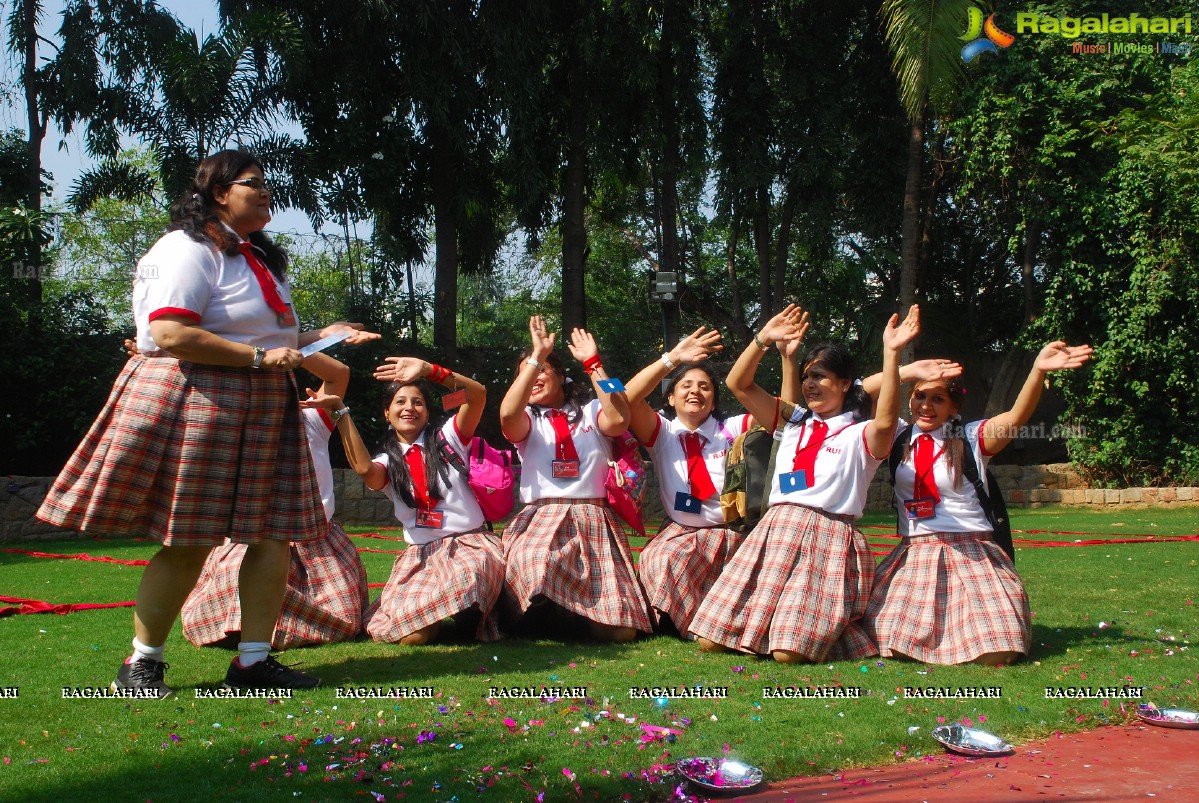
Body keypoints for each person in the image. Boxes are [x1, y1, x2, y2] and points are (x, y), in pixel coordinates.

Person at [36, 150, 377, 697]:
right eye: (253, 184)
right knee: (189, 540)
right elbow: (171, 332)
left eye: (267, 185)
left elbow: (271, 341)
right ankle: (141, 666)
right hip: (202, 398)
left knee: (273, 537)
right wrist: (259, 359)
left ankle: (253, 665)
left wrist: (318, 337)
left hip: (264, 404)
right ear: (219, 193)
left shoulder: (257, 257)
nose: (266, 192)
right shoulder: (185, 248)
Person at [689, 304, 920, 663]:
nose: (811, 384)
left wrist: (892, 355)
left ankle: (833, 633)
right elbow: (738, 383)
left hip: (826, 539)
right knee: (709, 641)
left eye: (822, 377)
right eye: (808, 377)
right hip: (773, 533)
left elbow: (888, 419)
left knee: (787, 654)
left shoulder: (861, 433)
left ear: (846, 384)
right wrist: (764, 338)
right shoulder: (792, 421)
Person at [863, 341, 1092, 665]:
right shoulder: (897, 435)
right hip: (915, 553)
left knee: (999, 652)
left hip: (972, 552)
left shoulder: (971, 437)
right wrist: (907, 371)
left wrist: (1038, 370)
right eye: (920, 396)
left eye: (938, 399)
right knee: (892, 644)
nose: (926, 405)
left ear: (953, 407)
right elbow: (859, 395)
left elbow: (1016, 416)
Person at [180, 353, 370, 650]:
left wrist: (286, 344)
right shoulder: (239, 419)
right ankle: (250, 630)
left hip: (316, 541)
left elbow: (340, 373)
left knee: (343, 615)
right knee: (236, 575)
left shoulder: (313, 417)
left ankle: (273, 629)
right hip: (254, 535)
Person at [499, 315, 652, 642]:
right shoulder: (526, 419)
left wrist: (593, 363)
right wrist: (537, 357)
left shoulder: (592, 409)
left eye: (543, 370)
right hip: (541, 517)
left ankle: (574, 617)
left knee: (620, 634)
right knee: (535, 561)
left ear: (561, 376)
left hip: (593, 518)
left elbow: (619, 417)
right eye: (527, 371)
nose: (535, 376)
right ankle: (548, 615)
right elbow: (506, 415)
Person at [341, 357, 505, 644]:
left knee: (467, 579)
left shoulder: (450, 439)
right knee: (411, 638)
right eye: (400, 402)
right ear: (387, 413)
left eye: (417, 402)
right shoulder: (387, 463)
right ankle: (442, 618)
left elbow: (477, 394)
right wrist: (341, 414)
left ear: (428, 413)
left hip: (469, 547)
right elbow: (366, 471)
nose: (409, 408)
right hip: (421, 557)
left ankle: (468, 611)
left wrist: (430, 371)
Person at [623, 326, 753, 636]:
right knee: (660, 559)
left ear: (714, 398)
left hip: (729, 532)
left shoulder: (732, 428)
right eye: (686, 385)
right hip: (679, 532)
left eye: (705, 387)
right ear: (670, 396)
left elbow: (778, 412)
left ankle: (704, 623)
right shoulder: (662, 433)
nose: (695, 391)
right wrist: (672, 358)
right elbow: (627, 399)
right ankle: (681, 624)